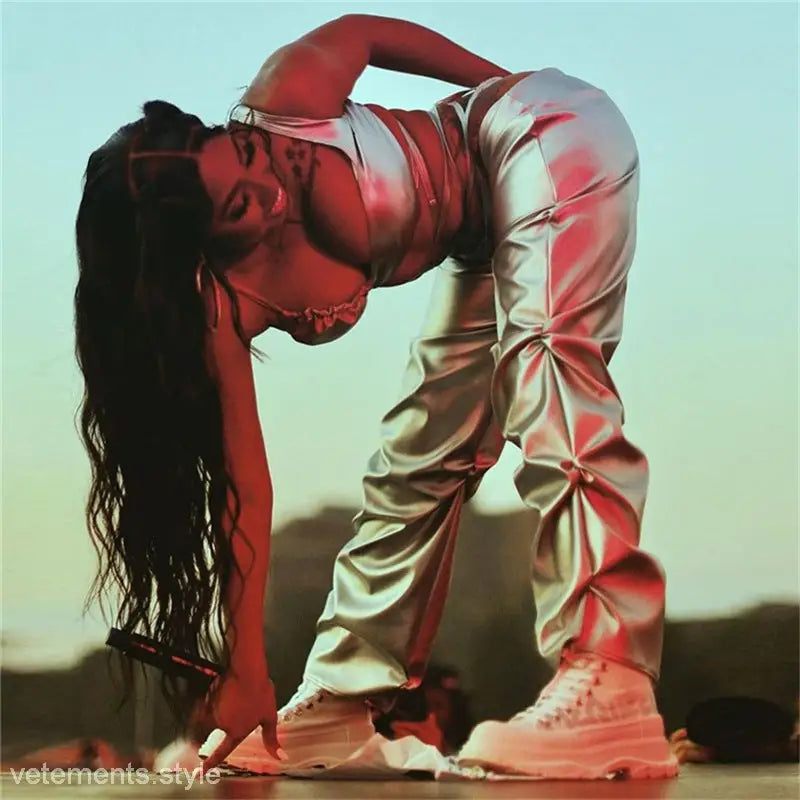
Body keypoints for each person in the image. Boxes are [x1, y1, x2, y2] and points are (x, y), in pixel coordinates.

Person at [76, 13, 676, 780]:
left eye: (251, 157)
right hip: (483, 237)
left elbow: (365, 32)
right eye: (237, 212)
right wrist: (246, 667)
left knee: (548, 363)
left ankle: (612, 677)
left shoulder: (290, 92)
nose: (267, 193)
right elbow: (243, 490)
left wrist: (501, 84)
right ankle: (340, 695)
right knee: (416, 456)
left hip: (545, 135)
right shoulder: (225, 299)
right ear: (192, 248)